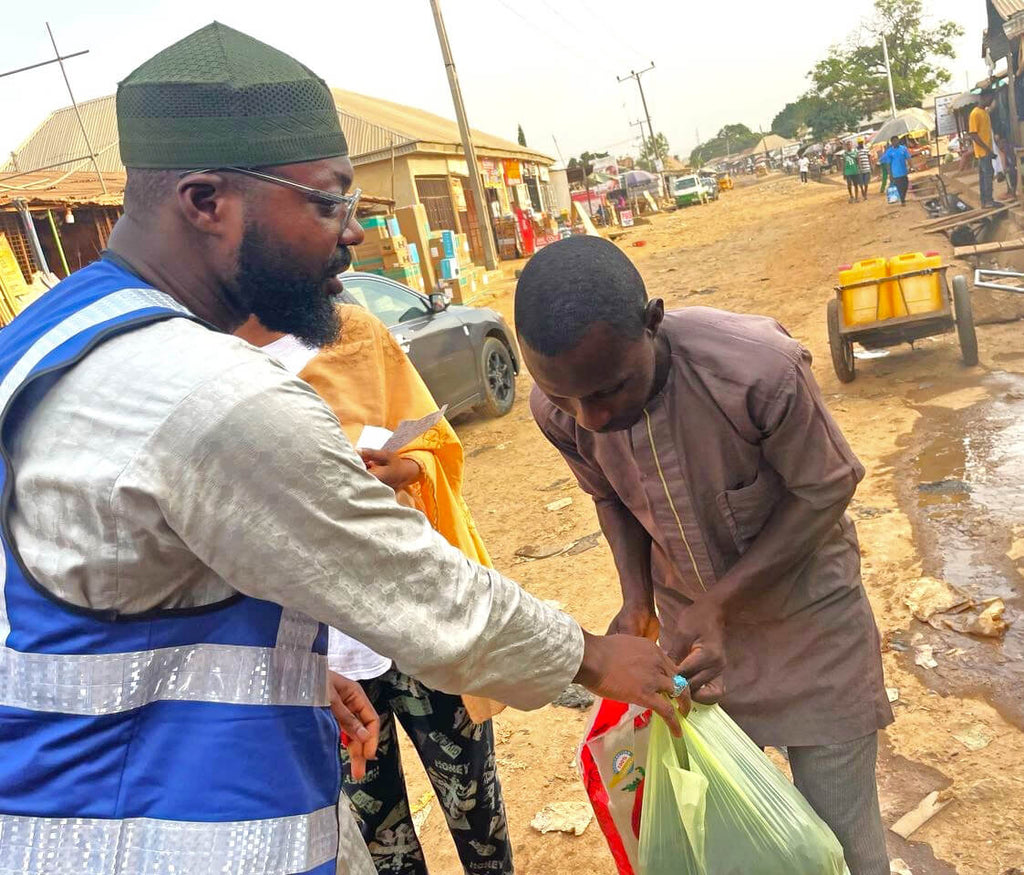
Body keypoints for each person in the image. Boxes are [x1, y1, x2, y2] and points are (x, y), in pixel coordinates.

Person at [0, 24, 689, 875]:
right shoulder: (212, 396)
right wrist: (594, 656)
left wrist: (284, 670)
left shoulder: (46, 342)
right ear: (207, 202)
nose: (355, 232)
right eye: (329, 202)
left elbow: (90, 598)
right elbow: (415, 588)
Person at [514, 237, 894, 875]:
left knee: (845, 848)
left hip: (813, 633)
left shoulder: (759, 369)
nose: (591, 417)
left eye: (609, 389)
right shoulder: (561, 409)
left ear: (652, 322)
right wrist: (637, 601)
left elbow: (826, 486)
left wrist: (720, 601)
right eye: (564, 398)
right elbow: (609, 496)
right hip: (694, 647)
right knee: (732, 842)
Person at [236, 304, 514, 875]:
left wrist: (402, 470)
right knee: (378, 834)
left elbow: (433, 441)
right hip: (319, 654)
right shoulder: (210, 364)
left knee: (475, 810)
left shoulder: (354, 332)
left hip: (417, 620)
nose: (341, 258)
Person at [969, 90, 1002, 208]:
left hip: (986, 150)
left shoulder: (984, 112)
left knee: (985, 176)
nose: (990, 101)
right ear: (983, 97)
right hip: (983, 152)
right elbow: (973, 134)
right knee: (987, 175)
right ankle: (988, 201)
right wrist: (987, 149)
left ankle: (985, 201)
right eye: (989, 98)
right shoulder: (975, 113)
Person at [881, 135, 911, 205]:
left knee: (905, 185)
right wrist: (890, 174)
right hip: (895, 173)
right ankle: (902, 200)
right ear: (892, 142)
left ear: (898, 140)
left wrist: (911, 166)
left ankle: (903, 197)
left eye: (896, 140)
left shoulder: (903, 149)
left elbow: (908, 158)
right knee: (899, 187)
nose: (895, 142)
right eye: (894, 141)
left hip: (904, 171)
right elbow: (888, 164)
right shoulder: (889, 152)